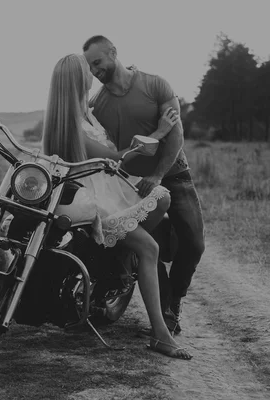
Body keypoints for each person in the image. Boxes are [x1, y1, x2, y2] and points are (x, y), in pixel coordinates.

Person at [41, 53, 191, 360]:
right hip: (93, 198)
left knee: (161, 197)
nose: (92, 74)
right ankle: (162, 335)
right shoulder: (73, 123)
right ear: (77, 80)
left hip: (102, 190)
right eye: (87, 71)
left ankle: (117, 253)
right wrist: (160, 133)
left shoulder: (81, 114)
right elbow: (115, 159)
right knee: (149, 248)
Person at [83, 35, 206, 335]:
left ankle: (174, 298)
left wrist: (158, 176)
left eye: (98, 62)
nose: (95, 71)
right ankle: (161, 310)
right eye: (90, 66)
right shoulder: (97, 105)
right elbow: (109, 151)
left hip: (173, 174)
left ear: (113, 52)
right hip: (132, 184)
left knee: (193, 243)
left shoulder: (155, 84)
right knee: (144, 244)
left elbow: (175, 134)